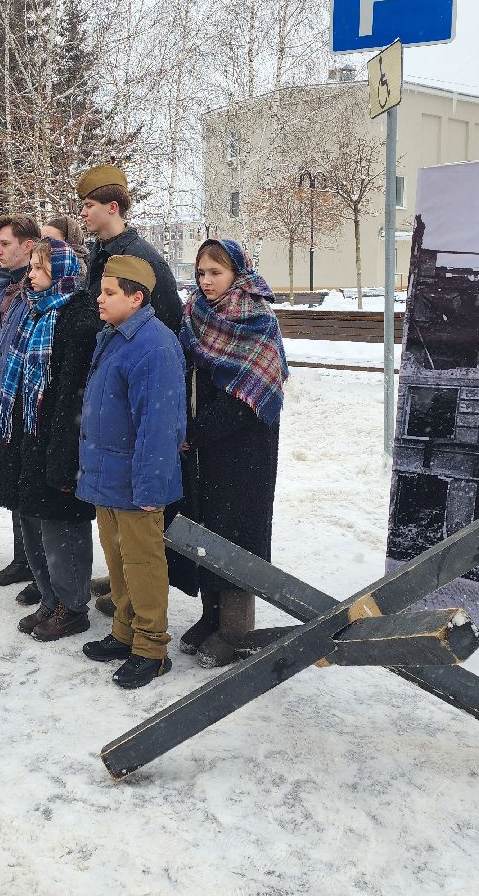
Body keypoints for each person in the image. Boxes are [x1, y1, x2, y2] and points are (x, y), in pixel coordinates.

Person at [175, 240, 288, 667]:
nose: (205, 281)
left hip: (245, 449)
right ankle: (210, 616)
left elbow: (250, 395)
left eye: (215, 273)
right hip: (203, 448)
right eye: (201, 273)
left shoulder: (257, 321)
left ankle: (237, 630)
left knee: (237, 530)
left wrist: (197, 432)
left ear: (236, 274)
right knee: (206, 523)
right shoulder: (195, 315)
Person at [77, 256, 187, 689]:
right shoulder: (116, 338)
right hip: (110, 477)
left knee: (143, 565)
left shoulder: (154, 346)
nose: (99, 299)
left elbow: (159, 425)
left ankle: (151, 648)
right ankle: (124, 632)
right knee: (119, 561)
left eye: (109, 293)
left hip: (137, 480)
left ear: (136, 297)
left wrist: (151, 486)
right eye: (101, 291)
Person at [0, 239, 99, 641]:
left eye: (40, 269)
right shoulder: (36, 312)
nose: (31, 275)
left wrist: (62, 451)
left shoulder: (78, 317)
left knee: (61, 526)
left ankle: (72, 606)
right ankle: (51, 597)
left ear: (62, 273)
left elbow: (73, 390)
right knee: (32, 519)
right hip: (29, 435)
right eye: (33, 268)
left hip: (58, 437)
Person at [0, 214, 40, 596]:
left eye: (5, 243)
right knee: (15, 486)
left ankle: (41, 569)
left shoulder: (39, 290)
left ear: (28, 246)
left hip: (28, 406)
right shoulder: (1, 289)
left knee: (33, 489)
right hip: (3, 403)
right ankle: (23, 559)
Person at [77, 164, 183, 333]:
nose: (83, 213)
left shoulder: (146, 259)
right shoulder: (96, 254)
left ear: (112, 207)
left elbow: (167, 328)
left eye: (89, 206)